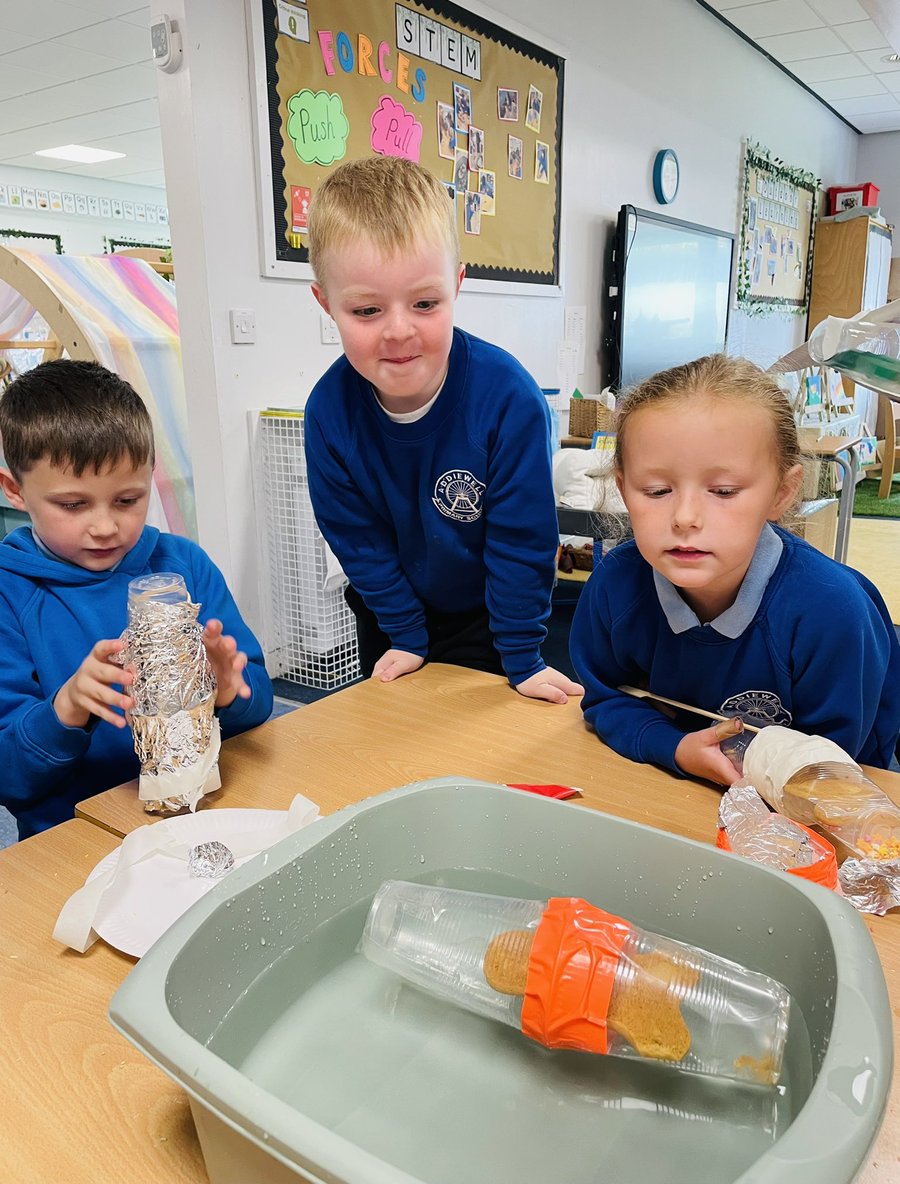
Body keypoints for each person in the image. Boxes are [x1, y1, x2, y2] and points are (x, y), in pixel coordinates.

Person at [304, 156, 582, 706]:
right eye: (367, 310)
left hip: (492, 616)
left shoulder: (509, 399)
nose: (399, 330)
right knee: (397, 733)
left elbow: (522, 540)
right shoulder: (329, 413)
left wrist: (522, 654)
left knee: (487, 735)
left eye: (425, 303)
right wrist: (406, 634)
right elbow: (358, 541)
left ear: (457, 285)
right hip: (389, 613)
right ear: (326, 303)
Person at [570, 354, 900, 783]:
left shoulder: (832, 611)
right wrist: (674, 748)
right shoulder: (615, 584)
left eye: (723, 491)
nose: (685, 517)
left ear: (781, 492)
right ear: (623, 488)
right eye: (657, 490)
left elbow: (833, 764)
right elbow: (604, 697)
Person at [0, 360, 273, 838]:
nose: (106, 527)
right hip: (75, 838)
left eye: (128, 500)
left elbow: (259, 703)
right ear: (15, 491)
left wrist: (229, 690)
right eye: (73, 505)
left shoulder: (184, 566)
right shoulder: (10, 592)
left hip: (199, 812)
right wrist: (67, 708)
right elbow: (11, 778)